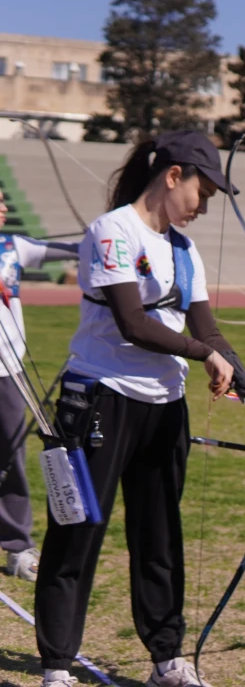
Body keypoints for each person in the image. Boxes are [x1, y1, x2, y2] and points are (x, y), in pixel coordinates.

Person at [34, 131, 245, 687]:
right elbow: (133, 323)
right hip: (99, 398)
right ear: (174, 175)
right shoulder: (111, 231)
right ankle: (56, 667)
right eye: (202, 192)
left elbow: (206, 328)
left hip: (164, 409)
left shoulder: (184, 250)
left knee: (160, 536)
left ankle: (167, 659)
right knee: (77, 534)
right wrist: (203, 355)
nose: (204, 206)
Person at [0, 189, 80, 583]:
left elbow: (69, 250)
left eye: (3, 200)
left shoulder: (14, 247)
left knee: (11, 456)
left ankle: (16, 547)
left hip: (8, 371)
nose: (3, 208)